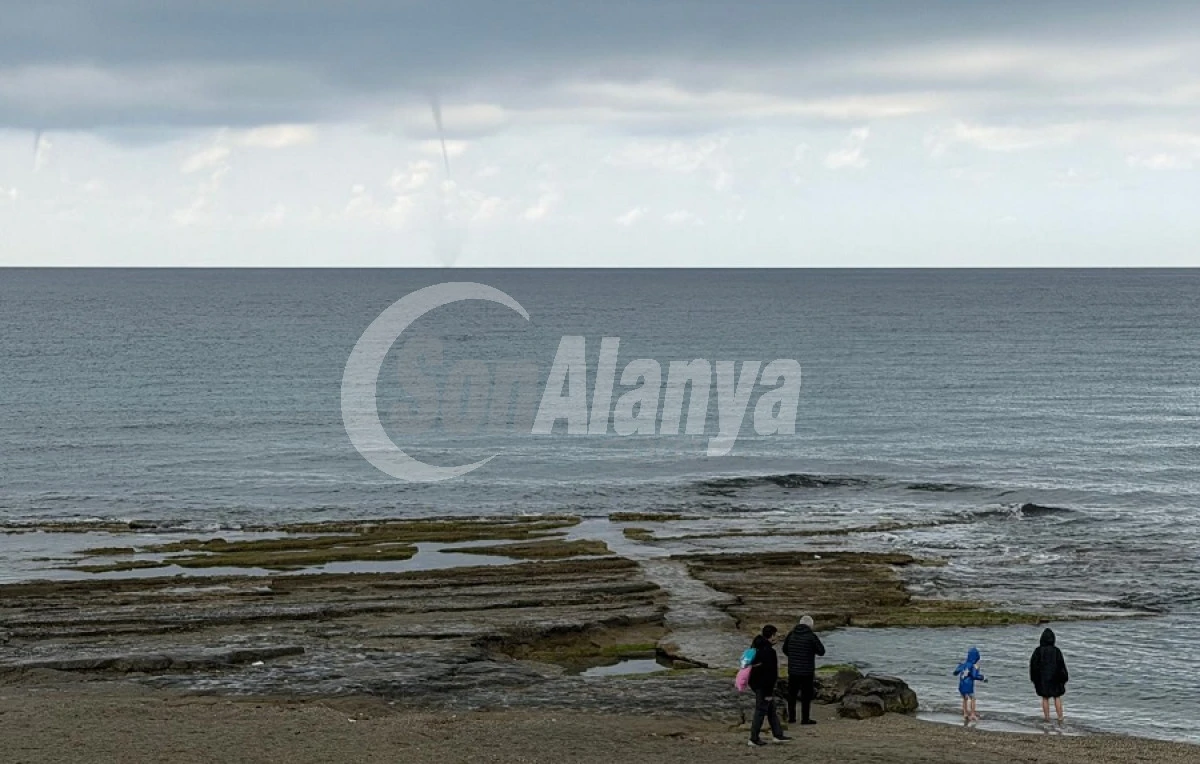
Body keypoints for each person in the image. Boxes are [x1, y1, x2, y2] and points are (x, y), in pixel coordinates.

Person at [747, 625, 791, 747]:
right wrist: (768, 692)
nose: (776, 637)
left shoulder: (755, 647)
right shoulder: (769, 652)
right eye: (775, 635)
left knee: (771, 710)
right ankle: (753, 738)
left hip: (755, 684)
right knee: (761, 711)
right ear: (771, 636)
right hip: (764, 686)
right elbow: (770, 674)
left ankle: (778, 734)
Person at [781, 614, 826, 725]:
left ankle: (792, 717)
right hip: (807, 670)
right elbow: (821, 651)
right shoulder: (811, 636)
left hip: (793, 669)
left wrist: (793, 656)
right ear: (811, 625)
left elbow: (784, 649)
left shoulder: (791, 634)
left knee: (792, 694)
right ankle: (805, 719)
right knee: (806, 695)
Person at [1029, 628, 1069, 723]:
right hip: (1056, 678)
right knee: (1057, 697)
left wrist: (1034, 678)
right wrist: (1064, 677)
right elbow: (1061, 665)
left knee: (1045, 698)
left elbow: (1033, 665)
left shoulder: (1038, 651)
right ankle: (1060, 718)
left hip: (1042, 678)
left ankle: (1047, 718)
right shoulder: (1056, 651)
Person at [953, 646, 986, 721]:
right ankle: (972, 714)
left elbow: (955, 673)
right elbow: (974, 676)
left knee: (965, 699)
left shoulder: (963, 664)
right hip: (969, 686)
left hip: (961, 685)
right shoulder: (974, 666)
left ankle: (965, 713)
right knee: (973, 699)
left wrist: (959, 666)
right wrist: (982, 677)